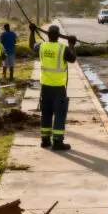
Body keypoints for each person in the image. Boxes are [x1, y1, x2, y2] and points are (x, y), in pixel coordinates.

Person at [29, 23, 76, 151]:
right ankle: (57, 142)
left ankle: (45, 141)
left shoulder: (42, 46)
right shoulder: (63, 48)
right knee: (60, 114)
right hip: (59, 88)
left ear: (48, 35)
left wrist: (32, 32)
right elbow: (72, 59)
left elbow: (31, 45)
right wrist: (72, 44)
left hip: (45, 87)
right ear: (58, 36)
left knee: (46, 113)